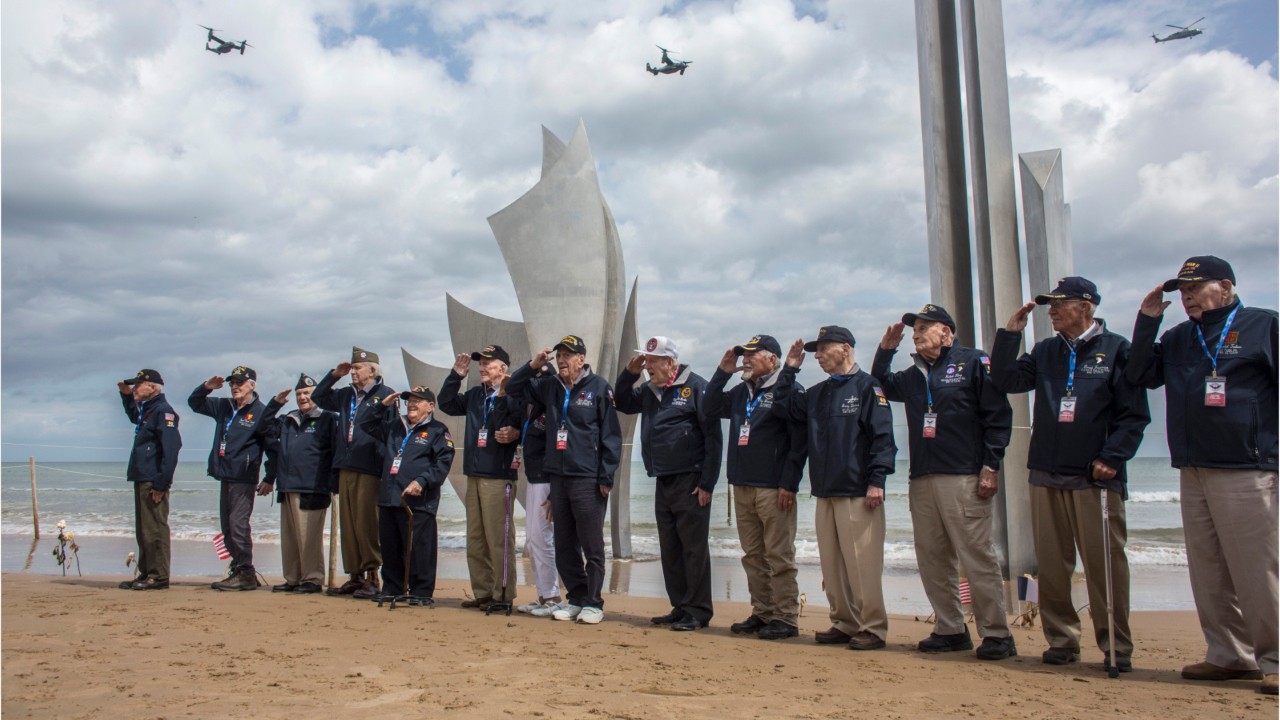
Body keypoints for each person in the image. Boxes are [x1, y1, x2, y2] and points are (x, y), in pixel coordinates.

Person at [1125, 256, 1278, 695]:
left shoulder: (1263, 324)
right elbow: (1139, 374)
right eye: (1183, 291)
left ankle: (1275, 658)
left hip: (1248, 467)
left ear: (1225, 287)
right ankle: (1229, 656)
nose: (1188, 297)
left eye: (1196, 288)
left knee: (1258, 570)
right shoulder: (1179, 337)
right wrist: (1147, 322)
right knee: (1209, 569)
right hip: (1193, 467)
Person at [988, 277, 1150, 672]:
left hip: (1095, 477)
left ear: (1086, 306)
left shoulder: (1117, 349)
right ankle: (1062, 640)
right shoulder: (1046, 350)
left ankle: (1116, 647)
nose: (1053, 311)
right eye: (1050, 304)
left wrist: (1113, 457)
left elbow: (1133, 416)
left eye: (1061, 303)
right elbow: (1006, 380)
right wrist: (1010, 337)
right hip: (1046, 473)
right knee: (1052, 568)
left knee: (1104, 567)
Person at [871, 304, 1017, 660]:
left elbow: (998, 415)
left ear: (946, 333)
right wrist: (885, 351)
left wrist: (991, 465)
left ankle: (996, 633)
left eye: (924, 328)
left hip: (964, 475)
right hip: (923, 477)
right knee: (933, 557)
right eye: (915, 330)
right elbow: (881, 386)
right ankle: (950, 629)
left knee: (976, 555)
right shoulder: (913, 374)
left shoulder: (973, 362)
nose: (917, 334)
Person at [775, 326, 897, 651]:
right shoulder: (817, 393)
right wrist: (789, 369)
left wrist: (877, 480)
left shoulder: (868, 387)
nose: (817, 355)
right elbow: (781, 407)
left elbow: (883, 437)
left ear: (845, 348)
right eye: (815, 351)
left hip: (858, 491)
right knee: (832, 565)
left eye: (823, 348)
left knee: (862, 565)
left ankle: (873, 627)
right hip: (825, 491)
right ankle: (844, 622)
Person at [506, 334, 622, 625]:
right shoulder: (550, 386)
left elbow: (611, 435)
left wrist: (606, 476)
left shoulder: (599, 388)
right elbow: (514, 388)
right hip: (558, 478)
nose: (561, 360)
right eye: (558, 356)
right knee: (565, 545)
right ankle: (577, 599)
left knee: (591, 544)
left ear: (581, 359)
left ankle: (594, 603)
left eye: (567, 355)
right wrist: (533, 365)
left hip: (587, 478)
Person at [615, 336, 723, 632]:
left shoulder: (696, 387)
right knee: (671, 547)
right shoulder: (649, 390)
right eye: (646, 361)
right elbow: (622, 403)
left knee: (693, 548)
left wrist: (707, 483)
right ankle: (680, 606)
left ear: (670, 362)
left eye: (653, 361)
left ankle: (698, 611)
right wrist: (629, 375)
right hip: (663, 477)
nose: (648, 366)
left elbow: (714, 439)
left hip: (691, 479)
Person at [704, 334, 806, 640]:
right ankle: (763, 612)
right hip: (742, 484)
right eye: (744, 355)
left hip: (774, 487)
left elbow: (799, 442)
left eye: (752, 354)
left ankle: (785, 617)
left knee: (779, 555)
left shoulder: (789, 389)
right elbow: (709, 407)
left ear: (772, 359)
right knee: (752, 555)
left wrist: (789, 483)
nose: (746, 359)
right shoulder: (741, 391)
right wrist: (722, 372)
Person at [438, 345, 521, 611]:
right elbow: (446, 403)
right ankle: (483, 592)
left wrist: (516, 431)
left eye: (488, 363)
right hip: (473, 474)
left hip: (499, 475)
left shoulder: (515, 393)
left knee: (499, 540)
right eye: (480, 363)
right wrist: (456, 376)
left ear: (503, 368)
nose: (482, 367)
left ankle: (503, 595)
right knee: (476, 539)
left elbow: (523, 421)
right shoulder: (476, 395)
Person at [189, 366, 285, 591]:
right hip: (225, 474)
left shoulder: (261, 412)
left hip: (244, 476)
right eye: (232, 383)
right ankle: (241, 569)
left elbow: (273, 449)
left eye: (239, 383)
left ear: (252, 385)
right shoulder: (224, 406)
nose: (234, 387)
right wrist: (206, 387)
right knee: (227, 527)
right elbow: (195, 403)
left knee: (238, 525)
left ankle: (245, 572)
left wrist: (270, 478)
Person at [312, 347, 396, 599]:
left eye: (357, 368)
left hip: (369, 466)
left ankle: (372, 575)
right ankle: (355, 575)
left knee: (366, 522)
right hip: (345, 465)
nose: (353, 372)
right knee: (348, 524)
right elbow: (318, 397)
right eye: (352, 368)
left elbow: (391, 433)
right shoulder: (346, 394)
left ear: (372, 370)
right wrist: (334, 376)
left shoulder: (385, 394)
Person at [361, 386, 455, 606]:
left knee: (419, 549)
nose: (411, 404)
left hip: (417, 501)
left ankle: (421, 592)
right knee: (390, 548)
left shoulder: (437, 430)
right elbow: (365, 424)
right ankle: (392, 589)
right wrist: (381, 406)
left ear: (430, 406)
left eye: (417, 401)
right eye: (409, 400)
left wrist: (422, 481)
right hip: (390, 497)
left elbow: (443, 462)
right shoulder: (395, 426)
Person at [261, 374, 339, 595]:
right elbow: (263, 428)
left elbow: (336, 451)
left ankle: (312, 579)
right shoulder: (288, 419)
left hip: (312, 487)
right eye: (299, 394)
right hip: (287, 486)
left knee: (308, 538)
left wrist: (333, 482)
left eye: (307, 393)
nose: (302, 397)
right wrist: (275, 404)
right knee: (290, 538)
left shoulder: (328, 418)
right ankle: (293, 578)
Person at [117, 369, 182, 590]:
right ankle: (146, 573)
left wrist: (162, 482)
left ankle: (159, 576)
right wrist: (126, 395)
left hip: (153, 479)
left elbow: (172, 448)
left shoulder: (164, 411)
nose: (135, 388)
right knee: (144, 529)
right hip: (142, 475)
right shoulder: (148, 409)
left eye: (138, 385)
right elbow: (134, 416)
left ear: (152, 387)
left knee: (155, 528)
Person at [515, 392, 563, 616]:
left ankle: (553, 597)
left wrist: (555, 488)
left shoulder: (551, 407)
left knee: (542, 537)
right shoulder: (528, 407)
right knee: (532, 539)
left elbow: (558, 447)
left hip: (547, 479)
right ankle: (543, 595)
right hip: (533, 477)